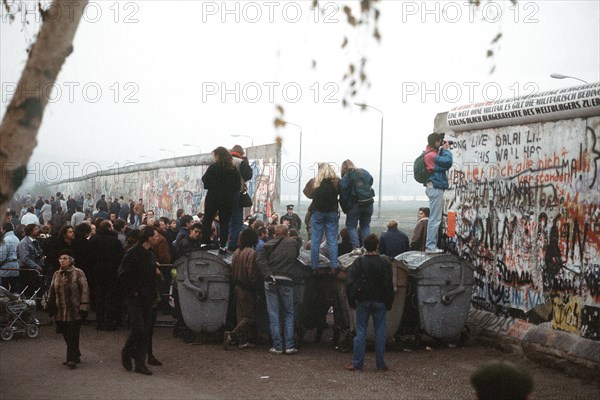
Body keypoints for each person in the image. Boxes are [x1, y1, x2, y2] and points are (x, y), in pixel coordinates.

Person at [345, 234, 394, 371]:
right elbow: (388, 284)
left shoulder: (359, 262)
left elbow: (349, 283)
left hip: (363, 300)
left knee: (360, 332)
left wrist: (351, 300)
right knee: (380, 333)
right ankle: (380, 364)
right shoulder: (384, 263)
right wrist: (389, 302)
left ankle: (357, 363)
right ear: (377, 246)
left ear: (364, 246)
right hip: (380, 301)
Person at [118, 226, 162, 375]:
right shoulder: (133, 253)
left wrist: (155, 270)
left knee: (146, 331)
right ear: (148, 238)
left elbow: (148, 270)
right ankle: (126, 352)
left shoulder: (150, 253)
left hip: (148, 297)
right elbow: (123, 274)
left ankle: (140, 363)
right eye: (155, 236)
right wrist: (134, 291)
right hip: (135, 297)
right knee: (139, 330)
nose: (158, 238)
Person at [256, 224, 301, 354]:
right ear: (287, 233)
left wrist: (268, 274)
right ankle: (289, 346)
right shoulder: (293, 244)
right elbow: (295, 257)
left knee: (273, 313)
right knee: (289, 313)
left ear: (275, 233)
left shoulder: (268, 244)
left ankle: (277, 346)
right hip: (287, 279)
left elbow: (259, 259)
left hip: (271, 280)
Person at [45, 249, 90, 369]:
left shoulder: (78, 273)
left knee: (73, 334)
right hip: (60, 310)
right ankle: (76, 354)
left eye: (65, 258)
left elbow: (84, 289)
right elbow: (52, 290)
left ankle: (71, 359)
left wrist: (84, 306)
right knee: (65, 333)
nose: (62, 261)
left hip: (74, 310)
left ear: (70, 260)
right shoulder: (56, 274)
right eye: (60, 258)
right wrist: (49, 304)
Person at [224, 228, 260, 350]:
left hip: (237, 286)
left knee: (241, 315)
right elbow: (252, 274)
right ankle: (231, 335)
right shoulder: (252, 253)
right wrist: (256, 289)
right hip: (247, 288)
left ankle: (242, 341)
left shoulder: (236, 252)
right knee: (250, 316)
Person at [201, 147, 241, 254]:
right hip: (227, 200)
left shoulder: (213, 168)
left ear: (218, 156)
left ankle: (204, 243)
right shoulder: (232, 169)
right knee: (224, 223)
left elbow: (205, 180)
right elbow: (238, 185)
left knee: (208, 220)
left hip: (212, 198)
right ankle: (223, 246)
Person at [303, 162, 340, 272]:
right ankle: (334, 266)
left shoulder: (314, 181)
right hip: (332, 212)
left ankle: (314, 267)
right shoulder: (337, 182)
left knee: (315, 241)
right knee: (332, 241)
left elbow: (307, 194)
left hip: (318, 212)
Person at [88, 220, 125, 331]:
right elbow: (120, 257)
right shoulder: (115, 241)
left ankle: (99, 322)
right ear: (109, 228)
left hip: (97, 272)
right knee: (111, 298)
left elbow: (90, 256)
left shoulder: (94, 239)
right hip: (112, 272)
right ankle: (109, 322)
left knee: (99, 298)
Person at [423, 132, 453, 254]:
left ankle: (431, 245)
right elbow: (447, 162)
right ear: (436, 142)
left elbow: (440, 165)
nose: (441, 142)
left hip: (433, 187)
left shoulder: (429, 153)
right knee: (435, 219)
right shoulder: (431, 156)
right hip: (435, 188)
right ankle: (430, 246)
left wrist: (441, 149)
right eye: (440, 140)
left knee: (435, 218)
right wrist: (446, 150)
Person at [339, 159, 375, 256]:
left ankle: (356, 248)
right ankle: (366, 248)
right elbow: (371, 180)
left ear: (343, 168)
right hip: (368, 203)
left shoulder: (346, 177)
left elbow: (342, 190)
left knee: (351, 226)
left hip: (355, 204)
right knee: (365, 225)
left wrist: (346, 207)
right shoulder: (363, 171)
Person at [227, 145, 253, 251]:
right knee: (237, 219)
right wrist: (245, 162)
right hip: (236, 193)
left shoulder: (222, 162)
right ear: (241, 153)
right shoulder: (240, 162)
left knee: (226, 218)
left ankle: (223, 242)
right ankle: (232, 243)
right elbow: (248, 176)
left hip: (222, 194)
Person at [17, 224, 45, 297]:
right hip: (28, 270)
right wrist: (36, 266)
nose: (38, 230)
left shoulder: (35, 241)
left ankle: (38, 305)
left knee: (39, 288)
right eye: (35, 229)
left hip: (35, 269)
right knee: (29, 291)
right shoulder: (24, 243)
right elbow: (25, 259)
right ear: (30, 231)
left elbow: (39, 253)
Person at [0, 222, 20, 292]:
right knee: (15, 288)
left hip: (5, 267)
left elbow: (2, 256)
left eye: (2, 229)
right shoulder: (16, 239)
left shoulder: (5, 240)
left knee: (4, 290)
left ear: (5, 230)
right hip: (15, 266)